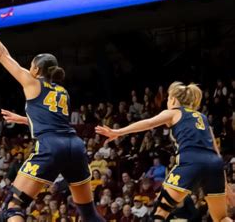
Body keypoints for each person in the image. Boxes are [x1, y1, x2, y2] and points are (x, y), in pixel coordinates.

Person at [0, 9, 104, 222]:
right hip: (75, 145)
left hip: (51, 147)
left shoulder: (32, 81)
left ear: (36, 69)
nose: (28, 69)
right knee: (89, 213)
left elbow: (2, 54)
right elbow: (54, 121)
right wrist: (24, 119)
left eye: (30, 66)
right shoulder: (62, 90)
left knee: (12, 206)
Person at [96, 82, 233, 222]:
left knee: (160, 211)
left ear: (173, 99)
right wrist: (226, 185)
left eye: (167, 98)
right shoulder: (202, 118)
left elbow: (148, 123)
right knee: (221, 218)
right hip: (214, 165)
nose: (167, 101)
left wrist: (118, 132)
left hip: (191, 161)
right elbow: (217, 154)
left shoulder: (174, 112)